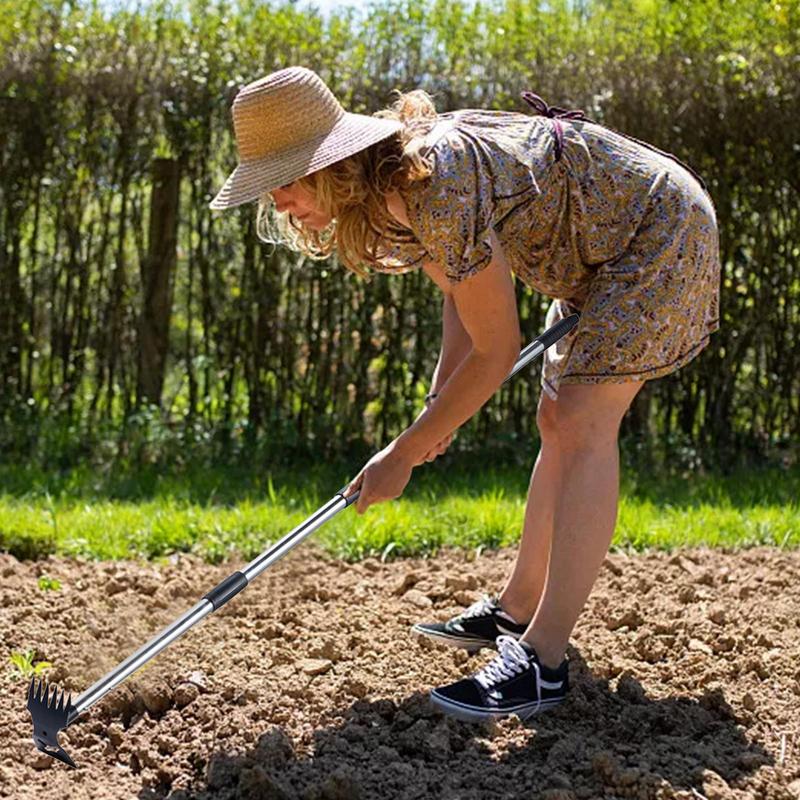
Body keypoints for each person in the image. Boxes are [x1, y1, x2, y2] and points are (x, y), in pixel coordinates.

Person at [210, 66, 721, 723]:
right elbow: (460, 290)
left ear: (328, 165)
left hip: (655, 231)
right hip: (599, 245)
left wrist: (404, 451)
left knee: (583, 420)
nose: (277, 203)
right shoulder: (387, 193)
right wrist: (435, 413)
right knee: (555, 417)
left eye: (282, 181)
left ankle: (543, 661)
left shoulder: (432, 181)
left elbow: (496, 350)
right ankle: (517, 609)